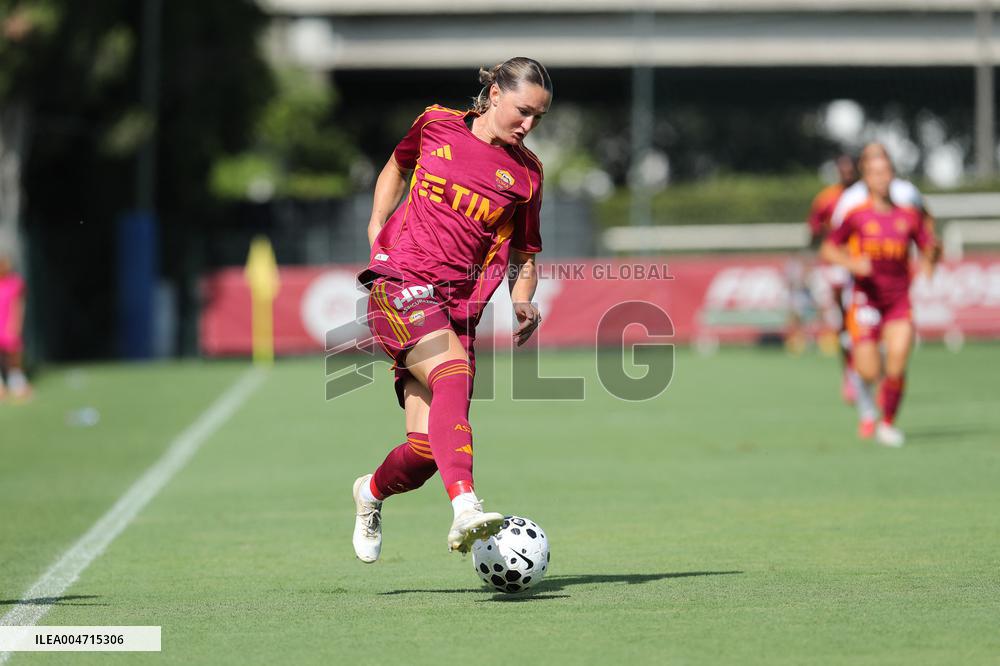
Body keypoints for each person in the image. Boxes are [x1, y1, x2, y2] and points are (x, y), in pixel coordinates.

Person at [350, 58, 551, 562]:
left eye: (538, 119)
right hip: (400, 284)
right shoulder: (435, 123)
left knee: (423, 454)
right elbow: (397, 165)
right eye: (523, 111)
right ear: (495, 94)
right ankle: (465, 506)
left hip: (458, 310)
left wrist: (522, 299)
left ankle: (369, 493)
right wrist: (377, 226)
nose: (528, 125)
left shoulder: (526, 175)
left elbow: (525, 255)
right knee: (453, 372)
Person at [820, 155, 938, 446]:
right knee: (869, 371)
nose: (881, 178)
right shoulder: (857, 215)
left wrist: (931, 257)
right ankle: (867, 390)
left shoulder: (908, 216)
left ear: (893, 176)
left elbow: (928, 245)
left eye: (885, 172)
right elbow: (829, 249)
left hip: (899, 301)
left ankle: (887, 424)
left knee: (898, 363)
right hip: (866, 301)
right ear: (866, 178)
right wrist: (852, 264)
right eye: (874, 173)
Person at [806, 155, 858, 397]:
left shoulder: (867, 197)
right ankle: (849, 370)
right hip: (837, 265)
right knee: (843, 323)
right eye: (843, 170)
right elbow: (813, 232)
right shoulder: (827, 199)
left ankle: (868, 368)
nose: (847, 174)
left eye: (851, 170)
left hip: (863, 265)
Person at [0, 249, 30, 401]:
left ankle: (17, 383)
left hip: (7, 325)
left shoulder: (14, 284)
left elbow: (17, 306)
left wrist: (15, 325)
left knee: (13, 357)